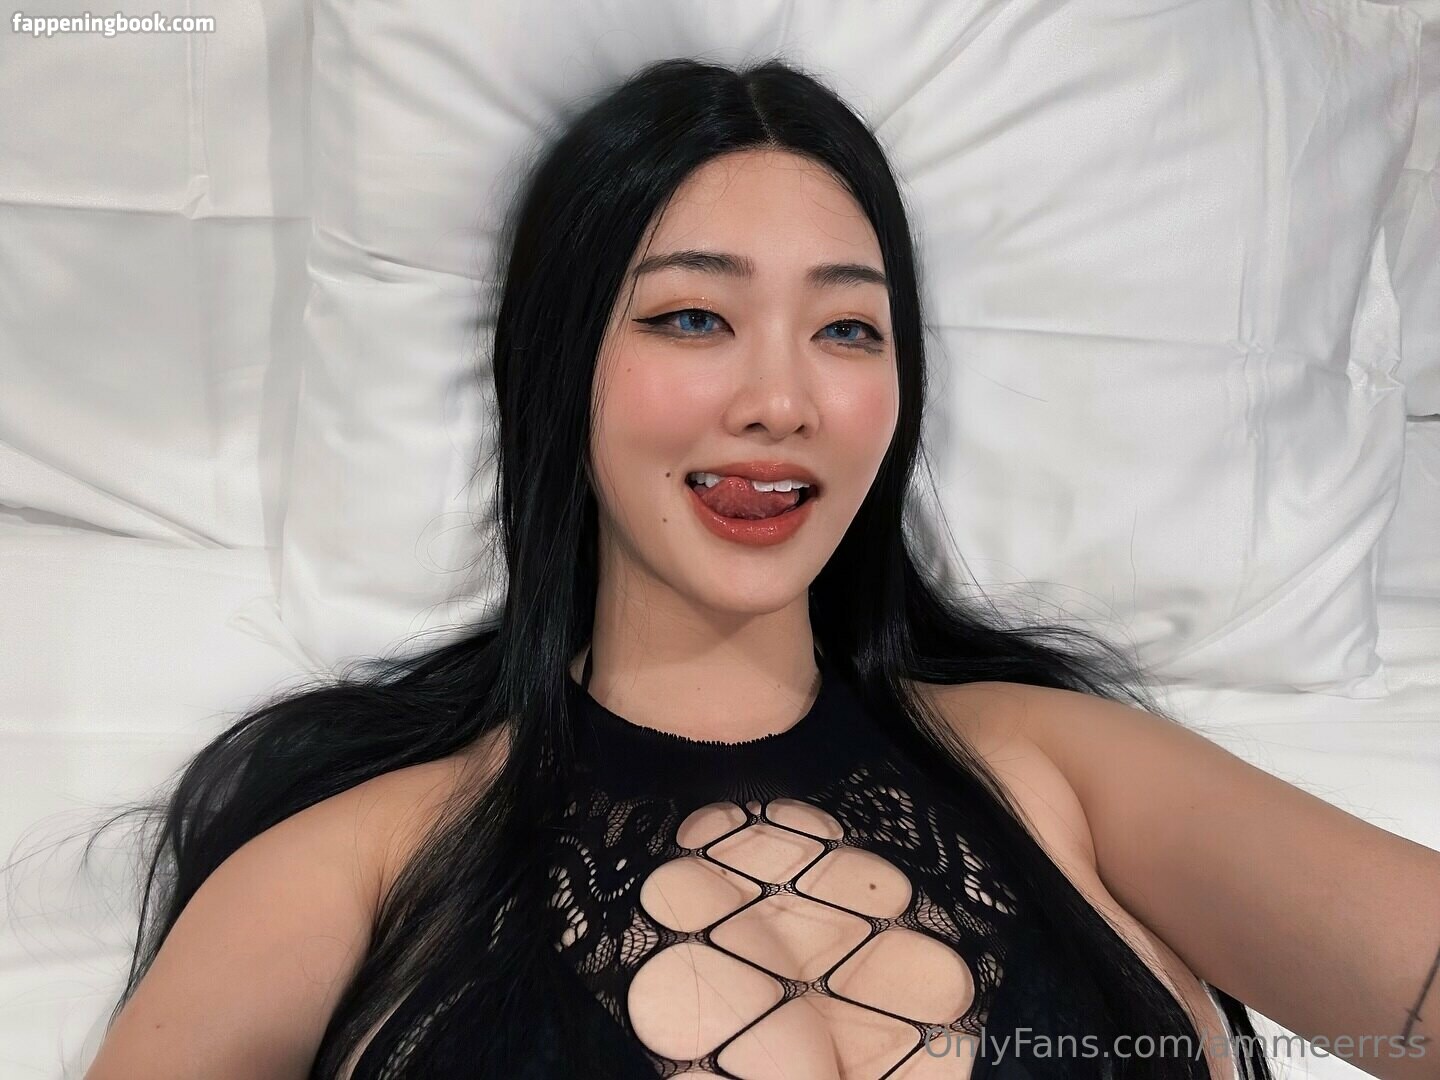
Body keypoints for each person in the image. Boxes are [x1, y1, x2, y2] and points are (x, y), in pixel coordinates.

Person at [80, 56, 1438, 1080]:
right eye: (692, 317)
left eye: (848, 330)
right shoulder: (350, 867)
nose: (781, 401)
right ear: (562, 366)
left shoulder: (1065, 769)